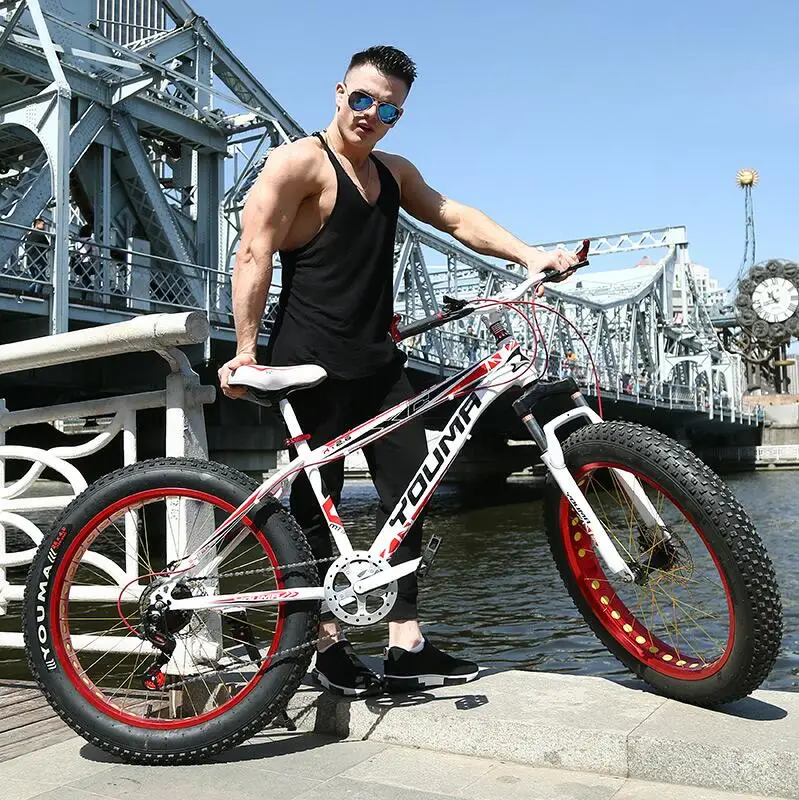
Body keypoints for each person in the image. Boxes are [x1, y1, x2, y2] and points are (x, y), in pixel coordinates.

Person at [218, 45, 578, 697]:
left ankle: (405, 642)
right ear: (339, 93)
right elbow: (253, 249)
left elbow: (452, 215)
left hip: (380, 363)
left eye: (388, 109)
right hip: (309, 362)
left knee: (411, 493)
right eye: (362, 99)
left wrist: (529, 255)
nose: (371, 114)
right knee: (316, 505)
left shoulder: (392, 172)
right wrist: (246, 350)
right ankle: (323, 644)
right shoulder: (298, 163)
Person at [23, 217, 50, 296]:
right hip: (39, 260)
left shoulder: (29, 235)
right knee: (40, 280)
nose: (44, 226)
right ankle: (35, 293)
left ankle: (30, 292)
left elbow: (26, 246)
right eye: (42, 224)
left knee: (35, 279)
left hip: (30, 261)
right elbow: (48, 246)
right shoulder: (40, 235)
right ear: (37, 225)